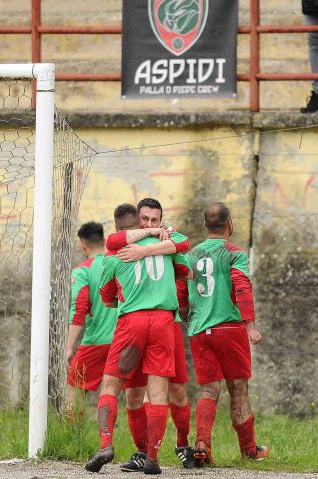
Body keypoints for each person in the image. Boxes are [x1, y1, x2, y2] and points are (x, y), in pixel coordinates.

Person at [84, 203, 190, 475]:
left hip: (131, 323)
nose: (150, 224)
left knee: (110, 387)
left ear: (118, 226)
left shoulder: (114, 255)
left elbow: (107, 298)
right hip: (164, 322)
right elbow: (185, 268)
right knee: (158, 393)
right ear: (139, 221)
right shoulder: (168, 245)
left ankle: (106, 445)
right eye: (145, 219)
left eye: (154, 220)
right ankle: (152, 457)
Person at [180, 202, 269, 465]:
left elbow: (181, 294)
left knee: (208, 389)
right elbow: (242, 287)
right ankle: (249, 450)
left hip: (199, 330)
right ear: (230, 224)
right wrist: (250, 325)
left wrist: (188, 320)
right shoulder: (235, 253)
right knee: (238, 388)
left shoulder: (191, 255)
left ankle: (202, 444)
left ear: (204, 225)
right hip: (230, 328)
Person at [64, 222, 115, 414]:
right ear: (104, 241)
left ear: (83, 245)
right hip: (126, 338)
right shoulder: (120, 263)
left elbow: (79, 308)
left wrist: (69, 347)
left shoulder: (83, 271)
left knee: (74, 389)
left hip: (97, 340)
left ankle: (72, 430)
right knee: (126, 392)